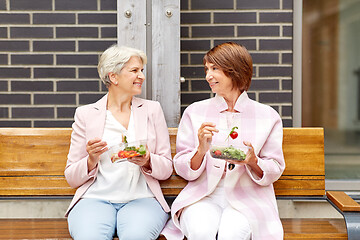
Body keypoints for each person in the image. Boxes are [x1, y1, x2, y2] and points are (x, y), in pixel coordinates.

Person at [164, 42, 285, 240]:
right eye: (206, 69)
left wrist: (252, 160)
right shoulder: (195, 112)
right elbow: (182, 167)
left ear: (235, 71)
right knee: (201, 231)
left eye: (214, 69)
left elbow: (275, 168)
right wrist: (201, 150)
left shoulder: (268, 116)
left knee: (232, 233)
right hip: (203, 195)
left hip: (249, 197)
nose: (207, 76)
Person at [64, 44, 173, 240]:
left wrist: (148, 160)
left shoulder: (152, 110)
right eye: (134, 71)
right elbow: (72, 177)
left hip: (142, 199)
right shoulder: (87, 114)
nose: (141, 76)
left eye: (141, 70)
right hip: (94, 199)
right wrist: (91, 159)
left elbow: (166, 168)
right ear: (113, 76)